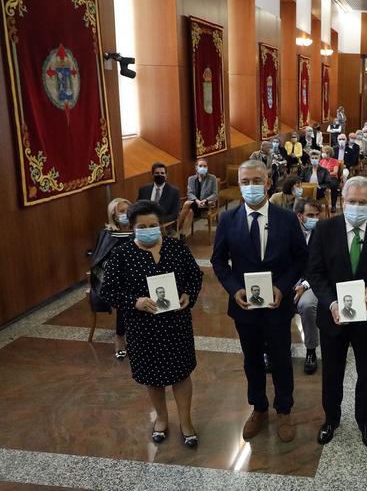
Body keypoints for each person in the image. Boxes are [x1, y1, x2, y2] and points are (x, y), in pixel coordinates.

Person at [211, 159, 309, 443]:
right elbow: (218, 260)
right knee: (251, 359)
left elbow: (301, 258)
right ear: (239, 185)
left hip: (277, 305)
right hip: (244, 306)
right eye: (245, 182)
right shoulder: (228, 219)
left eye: (256, 181)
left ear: (267, 183)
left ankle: (284, 410)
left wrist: (282, 286)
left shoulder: (287, 218)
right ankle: (259, 407)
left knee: (280, 358)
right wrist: (233, 289)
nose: (251, 187)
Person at [100, 200, 203, 448]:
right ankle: (162, 418)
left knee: (181, 375)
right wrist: (134, 301)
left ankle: (186, 421)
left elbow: (195, 276)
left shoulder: (176, 248)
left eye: (153, 225)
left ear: (161, 225)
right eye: (142, 226)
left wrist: (188, 293)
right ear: (133, 228)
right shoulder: (122, 254)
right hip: (142, 328)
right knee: (153, 378)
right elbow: (108, 291)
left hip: (176, 323)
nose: (149, 229)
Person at [306, 176, 367, 449]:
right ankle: (331, 419)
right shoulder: (324, 230)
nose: (356, 206)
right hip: (333, 317)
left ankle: (365, 422)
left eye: (362, 202)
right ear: (342, 202)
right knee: (331, 373)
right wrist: (331, 303)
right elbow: (315, 272)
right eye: (351, 201)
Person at [90, 197, 134, 359]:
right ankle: (120, 337)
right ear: (114, 215)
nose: (126, 214)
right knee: (125, 294)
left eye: (128, 211)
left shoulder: (138, 231)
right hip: (110, 278)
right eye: (122, 211)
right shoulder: (107, 234)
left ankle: (141, 335)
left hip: (136, 276)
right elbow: (100, 260)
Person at [293, 198, 322, 374]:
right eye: (310, 215)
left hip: (312, 282)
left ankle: (311, 350)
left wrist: (304, 285)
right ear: (300, 216)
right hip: (289, 280)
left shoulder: (323, 233)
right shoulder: (289, 231)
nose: (315, 219)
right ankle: (272, 347)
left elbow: (322, 267)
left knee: (306, 305)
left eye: (317, 215)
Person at [179, 159, 219, 235]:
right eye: (200, 166)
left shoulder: (212, 178)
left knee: (187, 203)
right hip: (195, 202)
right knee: (190, 211)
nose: (202, 168)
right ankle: (182, 235)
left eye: (205, 166)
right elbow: (189, 193)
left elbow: (215, 194)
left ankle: (176, 228)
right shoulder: (191, 179)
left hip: (206, 203)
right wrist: (197, 201)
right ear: (196, 167)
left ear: (207, 167)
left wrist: (205, 200)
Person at [320, 147, 342, 212]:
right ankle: (319, 203)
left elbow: (335, 172)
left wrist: (326, 174)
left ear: (329, 153)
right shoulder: (321, 161)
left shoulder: (335, 161)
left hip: (332, 178)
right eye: (323, 152)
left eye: (325, 153)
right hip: (323, 179)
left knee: (334, 185)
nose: (323, 154)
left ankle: (333, 205)